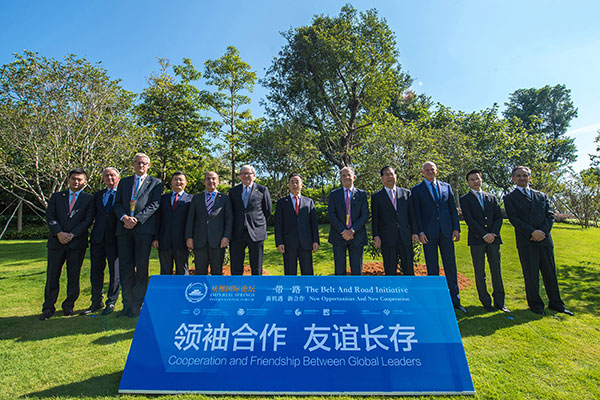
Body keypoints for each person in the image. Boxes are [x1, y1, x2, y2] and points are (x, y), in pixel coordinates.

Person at [503, 166, 573, 316]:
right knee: (531, 275)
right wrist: (533, 232)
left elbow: (550, 215)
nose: (522, 178)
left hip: (545, 240)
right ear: (513, 178)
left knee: (550, 273)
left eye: (525, 175)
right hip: (526, 241)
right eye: (518, 176)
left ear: (529, 177)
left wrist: (542, 232)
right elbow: (514, 219)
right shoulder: (509, 198)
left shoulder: (541, 195)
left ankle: (557, 304)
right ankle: (536, 305)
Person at [411, 161, 466, 313]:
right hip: (428, 234)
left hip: (446, 232)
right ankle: (435, 301)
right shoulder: (416, 190)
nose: (430, 172)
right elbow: (416, 214)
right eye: (427, 170)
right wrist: (420, 232)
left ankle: (455, 301)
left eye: (432, 169)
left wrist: (456, 228)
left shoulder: (446, 187)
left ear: (436, 171)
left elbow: (452, 209)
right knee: (432, 267)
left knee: (450, 266)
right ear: (422, 172)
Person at [40, 168, 94, 320]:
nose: (76, 182)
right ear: (68, 180)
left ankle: (68, 306)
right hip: (56, 242)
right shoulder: (57, 197)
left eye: (80, 179)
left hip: (76, 243)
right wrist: (59, 233)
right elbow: (50, 215)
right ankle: (48, 307)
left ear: (85, 182)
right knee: (52, 275)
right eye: (73, 179)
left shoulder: (89, 199)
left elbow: (88, 220)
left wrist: (72, 234)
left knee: (73, 275)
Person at [113, 153, 162, 318]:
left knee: (141, 268)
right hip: (124, 229)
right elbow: (118, 203)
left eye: (144, 163)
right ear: (133, 164)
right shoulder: (124, 182)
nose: (141, 165)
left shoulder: (156, 183)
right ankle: (126, 304)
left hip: (143, 230)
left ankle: (137, 306)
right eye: (138, 163)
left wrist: (137, 219)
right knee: (125, 268)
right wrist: (124, 218)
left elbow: (155, 204)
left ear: (149, 165)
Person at [460, 169, 509, 313]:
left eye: (477, 178)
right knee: (480, 272)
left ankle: (500, 303)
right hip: (477, 240)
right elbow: (470, 220)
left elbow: (498, 217)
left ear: (481, 179)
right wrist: (483, 235)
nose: (476, 181)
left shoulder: (492, 197)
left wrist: (493, 233)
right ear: (468, 182)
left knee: (496, 271)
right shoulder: (465, 199)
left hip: (494, 240)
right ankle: (486, 302)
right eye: (472, 179)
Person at [81, 167, 121, 316]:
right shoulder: (98, 195)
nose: (110, 178)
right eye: (106, 176)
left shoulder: (123, 195)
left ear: (118, 177)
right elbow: (91, 216)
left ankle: (111, 301)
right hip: (98, 238)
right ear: (103, 179)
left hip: (115, 238)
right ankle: (96, 301)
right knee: (96, 271)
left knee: (114, 272)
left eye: (112, 175)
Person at [371, 166, 418, 276]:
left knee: (408, 268)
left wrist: (415, 232)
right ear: (382, 178)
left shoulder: (406, 193)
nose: (389, 177)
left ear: (396, 176)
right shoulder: (376, 197)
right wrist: (376, 235)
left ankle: (409, 292)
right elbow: (375, 218)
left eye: (391, 174)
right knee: (390, 268)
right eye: (386, 175)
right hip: (387, 237)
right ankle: (392, 292)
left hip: (405, 236)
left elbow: (412, 215)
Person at [185, 171, 232, 275]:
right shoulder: (196, 198)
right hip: (199, 241)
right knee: (200, 272)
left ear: (218, 182)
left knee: (217, 272)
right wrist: (189, 237)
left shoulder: (225, 198)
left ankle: (215, 291)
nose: (211, 181)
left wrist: (226, 237)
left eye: (214, 179)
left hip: (218, 241)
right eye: (208, 179)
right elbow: (190, 219)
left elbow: (229, 219)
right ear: (204, 182)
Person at [228, 165, 272, 275]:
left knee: (256, 266)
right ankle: (237, 289)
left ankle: (257, 290)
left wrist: (256, 222)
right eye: (243, 173)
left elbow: (268, 210)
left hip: (256, 231)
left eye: (249, 173)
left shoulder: (262, 190)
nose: (246, 176)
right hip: (237, 232)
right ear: (240, 176)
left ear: (254, 175)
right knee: (236, 265)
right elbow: (230, 211)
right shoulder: (233, 191)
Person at [274, 173, 320, 275]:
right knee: (290, 274)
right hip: (288, 244)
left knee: (307, 274)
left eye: (297, 182)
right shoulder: (281, 203)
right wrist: (279, 242)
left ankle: (307, 290)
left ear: (302, 184)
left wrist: (315, 240)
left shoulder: (309, 202)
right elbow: (278, 224)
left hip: (306, 243)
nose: (295, 185)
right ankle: (292, 291)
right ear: (288, 185)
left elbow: (314, 224)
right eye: (292, 182)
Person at [328, 166, 369, 275]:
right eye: (343, 176)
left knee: (356, 270)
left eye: (349, 175)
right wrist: (343, 231)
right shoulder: (334, 195)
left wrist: (352, 230)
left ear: (354, 177)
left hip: (357, 236)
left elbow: (365, 215)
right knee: (339, 270)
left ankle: (355, 291)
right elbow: (331, 215)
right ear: (340, 179)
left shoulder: (362, 194)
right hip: (338, 236)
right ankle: (341, 291)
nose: (346, 177)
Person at [153, 171, 192, 275]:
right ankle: (166, 292)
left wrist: (190, 238)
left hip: (182, 242)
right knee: (165, 272)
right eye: (175, 179)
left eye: (181, 180)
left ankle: (182, 291)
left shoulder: (191, 200)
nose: (178, 182)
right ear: (171, 182)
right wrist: (155, 238)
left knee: (182, 271)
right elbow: (158, 219)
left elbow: (192, 221)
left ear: (186, 183)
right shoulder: (162, 198)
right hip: (164, 241)